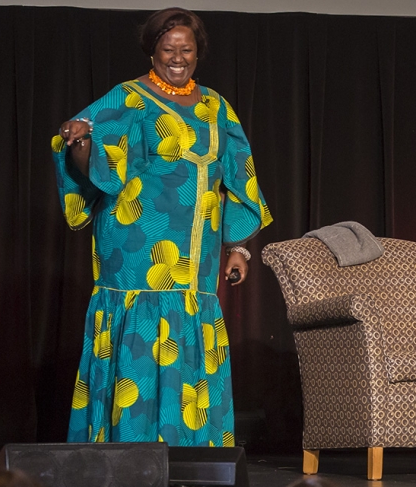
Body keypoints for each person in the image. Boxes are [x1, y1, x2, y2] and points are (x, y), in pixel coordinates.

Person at [51, 7, 272, 445]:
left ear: (198, 53)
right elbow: (88, 154)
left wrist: (239, 248)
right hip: (136, 249)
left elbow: (239, 177)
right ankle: (129, 454)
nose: (177, 57)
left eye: (186, 49)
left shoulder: (215, 107)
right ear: (152, 51)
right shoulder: (129, 97)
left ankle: (188, 457)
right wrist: (77, 141)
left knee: (187, 344)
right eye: (168, 48)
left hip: (197, 261)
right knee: (140, 342)